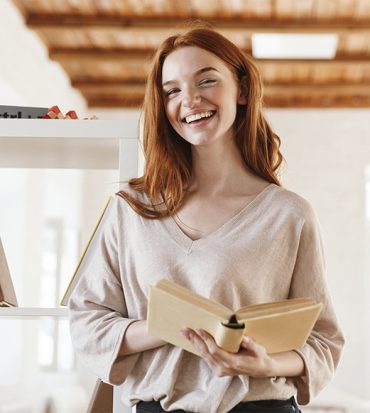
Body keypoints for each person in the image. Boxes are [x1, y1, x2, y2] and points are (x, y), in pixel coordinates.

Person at [69, 25, 344, 413]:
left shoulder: (289, 215)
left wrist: (266, 364)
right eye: (172, 91)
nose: (190, 100)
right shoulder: (130, 208)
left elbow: (322, 341)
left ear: (242, 90)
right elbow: (87, 322)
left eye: (207, 81)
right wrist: (169, 325)